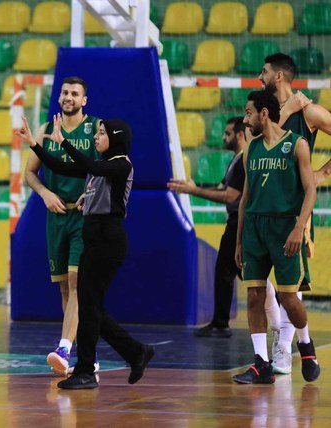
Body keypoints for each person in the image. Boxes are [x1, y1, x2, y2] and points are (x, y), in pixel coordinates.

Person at [17, 113, 154, 390]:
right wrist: (35, 145)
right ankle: (133, 352)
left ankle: (88, 369)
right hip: (96, 239)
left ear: (115, 139)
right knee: (90, 307)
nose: (96, 137)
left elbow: (87, 164)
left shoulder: (121, 165)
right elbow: (62, 167)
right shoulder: (102, 164)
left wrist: (65, 142)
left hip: (108, 239)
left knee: (88, 306)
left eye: (101, 134)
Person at [232, 90, 319, 385]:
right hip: (255, 228)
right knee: (254, 295)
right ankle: (261, 364)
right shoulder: (250, 150)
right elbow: (244, 198)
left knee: (288, 297)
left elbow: (310, 191)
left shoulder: (297, 145)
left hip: (285, 228)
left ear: (264, 114)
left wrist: (299, 228)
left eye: (248, 113)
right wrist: (240, 240)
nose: (246, 120)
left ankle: (305, 345)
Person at [168, 118, 281, 338]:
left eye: (228, 133)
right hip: (236, 222)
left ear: (240, 135)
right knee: (228, 271)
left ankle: (273, 310)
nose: (223, 137)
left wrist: (193, 191)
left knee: (240, 273)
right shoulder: (235, 160)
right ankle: (222, 321)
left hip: (241, 223)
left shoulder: (243, 160)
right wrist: (193, 186)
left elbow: (230, 195)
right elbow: (222, 187)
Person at [258, 52, 331, 374]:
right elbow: (252, 147)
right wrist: (285, 111)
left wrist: (323, 174)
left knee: (291, 287)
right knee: (259, 285)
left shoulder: (311, 112)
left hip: (293, 210)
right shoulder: (264, 112)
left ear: (279, 76)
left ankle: (285, 348)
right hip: (260, 207)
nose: (259, 77)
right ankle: (287, 341)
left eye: (264, 71)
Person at [24, 77, 101, 375]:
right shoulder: (45, 129)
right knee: (66, 291)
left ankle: (64, 348)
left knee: (75, 282)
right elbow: (30, 173)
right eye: (65, 92)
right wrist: (44, 193)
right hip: (56, 216)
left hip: (84, 216)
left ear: (85, 100)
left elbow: (106, 166)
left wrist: (90, 190)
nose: (68, 97)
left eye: (75, 94)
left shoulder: (95, 127)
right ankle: (84, 353)